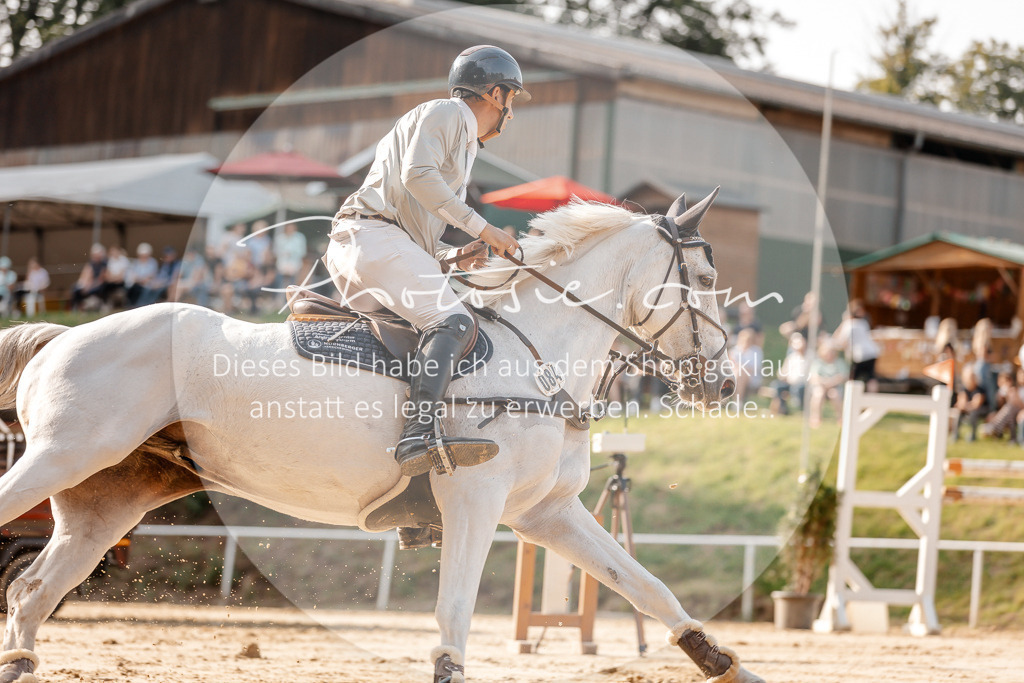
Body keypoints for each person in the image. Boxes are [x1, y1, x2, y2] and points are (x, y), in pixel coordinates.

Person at [323, 45, 527, 481]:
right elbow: (419, 176)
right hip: (371, 237)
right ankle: (418, 436)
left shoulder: (458, 134)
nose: (511, 114)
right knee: (454, 323)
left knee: (419, 342)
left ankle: (410, 486)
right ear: (494, 93)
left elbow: (411, 226)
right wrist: (483, 230)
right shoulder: (451, 113)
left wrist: (451, 255)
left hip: (371, 242)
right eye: (511, 99)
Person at [832, 299, 880, 392]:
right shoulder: (863, 323)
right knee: (871, 377)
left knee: (852, 378)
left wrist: (843, 322)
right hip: (871, 353)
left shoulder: (849, 325)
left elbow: (839, 340)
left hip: (859, 356)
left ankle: (850, 396)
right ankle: (873, 397)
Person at [808, 340, 848, 428]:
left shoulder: (839, 362)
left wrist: (831, 382)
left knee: (834, 394)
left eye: (831, 352)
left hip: (835, 387)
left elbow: (842, 377)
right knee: (818, 393)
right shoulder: (817, 363)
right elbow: (814, 377)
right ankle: (815, 417)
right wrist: (824, 382)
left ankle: (840, 417)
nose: (829, 354)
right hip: (820, 386)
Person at [770, 333, 809, 415]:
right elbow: (784, 371)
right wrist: (782, 375)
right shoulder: (791, 357)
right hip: (789, 383)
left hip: (803, 384)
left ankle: (801, 409)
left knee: (798, 388)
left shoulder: (810, 356)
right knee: (777, 385)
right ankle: (783, 409)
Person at [952, 365, 989, 442]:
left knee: (974, 413)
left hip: (982, 410)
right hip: (969, 409)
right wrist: (965, 405)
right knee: (958, 412)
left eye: (973, 377)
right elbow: (961, 402)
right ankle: (955, 434)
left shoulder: (980, 389)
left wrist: (965, 406)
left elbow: (976, 404)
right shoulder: (963, 389)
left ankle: (973, 435)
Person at [69, 243, 108, 311]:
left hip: (98, 286)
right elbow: (85, 275)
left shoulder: (104, 264)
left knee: (88, 290)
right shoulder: (91, 264)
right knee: (75, 288)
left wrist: (90, 286)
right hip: (90, 284)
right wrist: (83, 284)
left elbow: (101, 279)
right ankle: (75, 307)